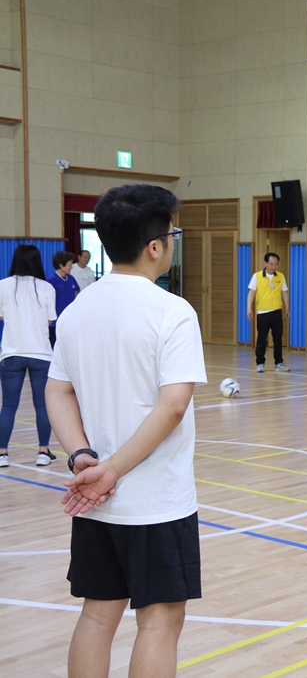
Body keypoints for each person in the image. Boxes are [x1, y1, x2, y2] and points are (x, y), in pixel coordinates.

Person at [46, 184, 207, 678]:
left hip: (96, 498)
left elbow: (57, 391)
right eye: (173, 234)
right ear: (155, 246)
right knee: (159, 623)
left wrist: (83, 458)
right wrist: (111, 470)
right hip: (156, 499)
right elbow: (173, 405)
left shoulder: (77, 309)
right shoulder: (172, 311)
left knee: (97, 615)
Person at [0, 244, 57, 468]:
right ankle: (43, 452)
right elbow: (50, 320)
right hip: (41, 353)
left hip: (11, 353)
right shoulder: (46, 287)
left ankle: (2, 454)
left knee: (8, 405)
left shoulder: (3, 285)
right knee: (42, 405)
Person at [246, 252, 291, 373]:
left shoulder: (280, 276)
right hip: (263, 312)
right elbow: (251, 293)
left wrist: (287, 308)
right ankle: (260, 363)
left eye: (276, 264)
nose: (274, 267)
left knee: (278, 338)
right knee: (262, 338)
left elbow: (284, 292)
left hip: (276, 311)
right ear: (265, 263)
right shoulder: (257, 276)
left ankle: (279, 363)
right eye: (271, 264)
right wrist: (249, 308)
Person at [45, 250, 81, 347]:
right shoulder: (50, 280)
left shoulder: (71, 278)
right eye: (69, 264)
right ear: (61, 265)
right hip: (54, 323)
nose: (71, 267)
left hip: (70, 322)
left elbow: (78, 293)